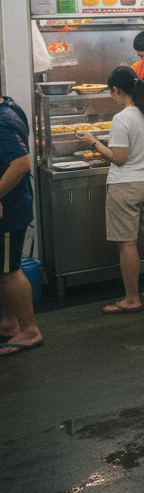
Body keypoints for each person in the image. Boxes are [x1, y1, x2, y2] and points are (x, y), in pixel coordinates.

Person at [75, 67, 144, 314]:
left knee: (127, 244)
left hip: (126, 185)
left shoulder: (122, 118)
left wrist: (93, 141)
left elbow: (119, 158)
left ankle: (132, 299)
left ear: (116, 89)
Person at [0, 94, 39, 356]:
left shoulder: (1, 122)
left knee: (9, 270)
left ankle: (30, 331)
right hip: (17, 203)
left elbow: (21, 163)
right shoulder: (9, 104)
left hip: (9, 210)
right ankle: (10, 321)